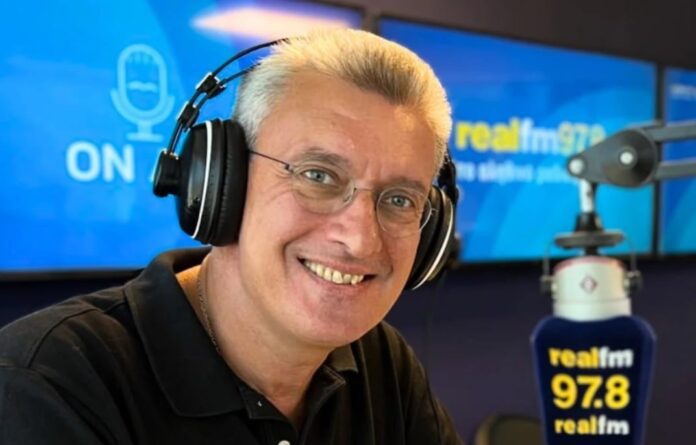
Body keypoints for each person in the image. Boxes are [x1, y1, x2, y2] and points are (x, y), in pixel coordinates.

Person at [0, 29, 463, 444]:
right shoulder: (50, 383)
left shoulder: (381, 360)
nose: (360, 239)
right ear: (222, 182)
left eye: (400, 199)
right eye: (317, 175)